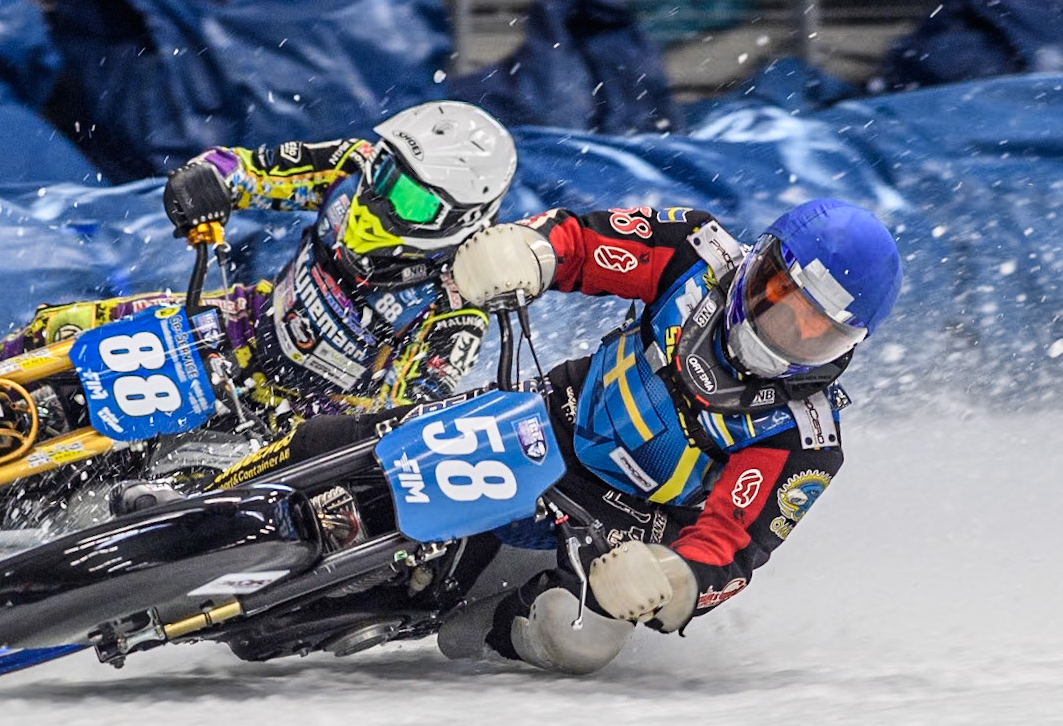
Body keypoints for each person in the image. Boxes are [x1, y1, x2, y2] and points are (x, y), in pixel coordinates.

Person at [214, 198, 903, 674]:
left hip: (608, 529)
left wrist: (673, 578)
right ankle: (206, 487)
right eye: (780, 302)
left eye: (818, 332)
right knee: (335, 438)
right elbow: (583, 243)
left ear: (849, 345)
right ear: (757, 264)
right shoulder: (694, 250)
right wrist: (530, 251)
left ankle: (482, 625)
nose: (785, 334)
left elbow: (733, 544)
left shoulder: (805, 436)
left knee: (579, 638)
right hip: (542, 415)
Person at [0, 101, 517, 422]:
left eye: (409, 199)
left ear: (458, 218)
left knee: (169, 478)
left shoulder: (458, 300)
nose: (377, 197)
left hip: (294, 420)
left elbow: (407, 420)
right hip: (238, 327)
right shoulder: (353, 164)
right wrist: (204, 182)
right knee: (60, 326)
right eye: (385, 173)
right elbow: (245, 168)